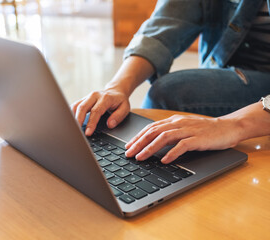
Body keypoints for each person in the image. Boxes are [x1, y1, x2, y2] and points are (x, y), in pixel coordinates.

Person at [71, 0, 270, 164]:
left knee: (171, 93)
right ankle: (124, 167)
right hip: (231, 70)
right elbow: (167, 21)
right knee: (170, 98)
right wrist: (117, 87)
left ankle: (143, 173)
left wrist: (232, 124)